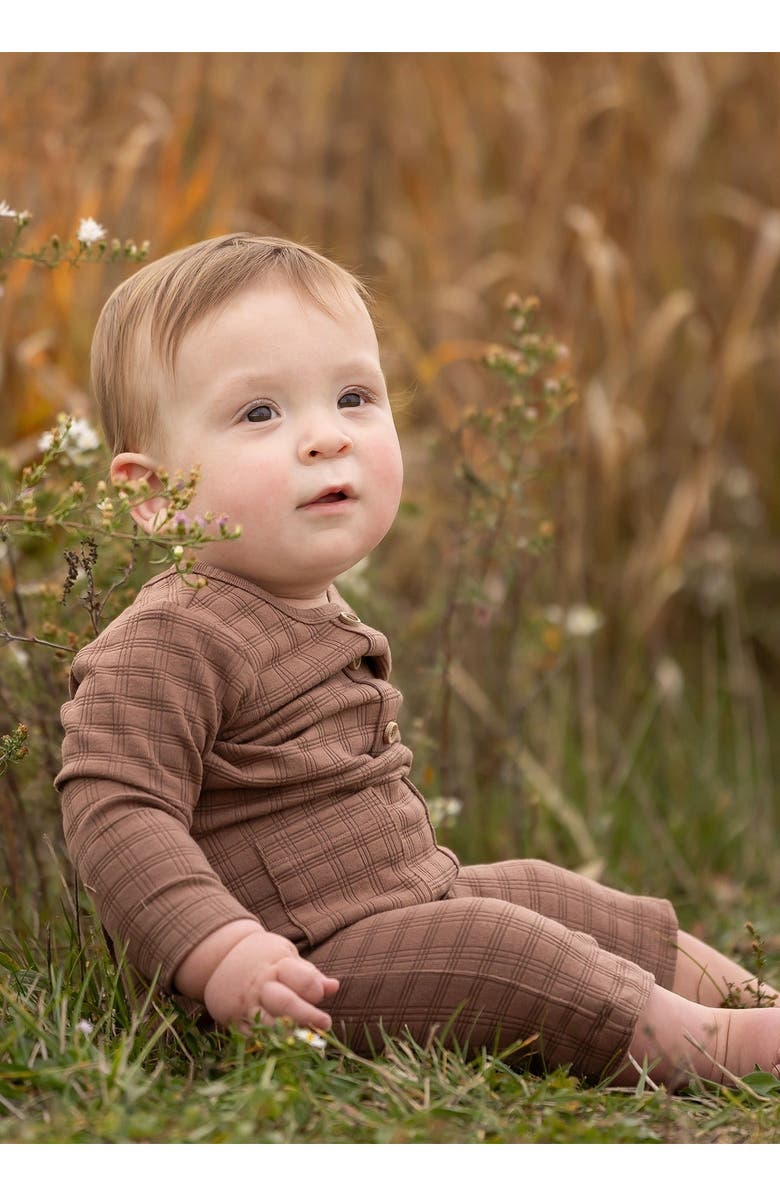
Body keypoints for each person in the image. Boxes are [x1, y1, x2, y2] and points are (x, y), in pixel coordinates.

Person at [56, 233, 780, 1091]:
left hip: (399, 908)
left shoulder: (306, 602)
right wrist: (220, 954)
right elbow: (116, 807)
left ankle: (749, 997)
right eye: (260, 413)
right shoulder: (172, 635)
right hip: (303, 967)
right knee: (507, 950)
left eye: (354, 396)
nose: (326, 438)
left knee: (545, 893)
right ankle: (709, 1047)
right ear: (151, 495)